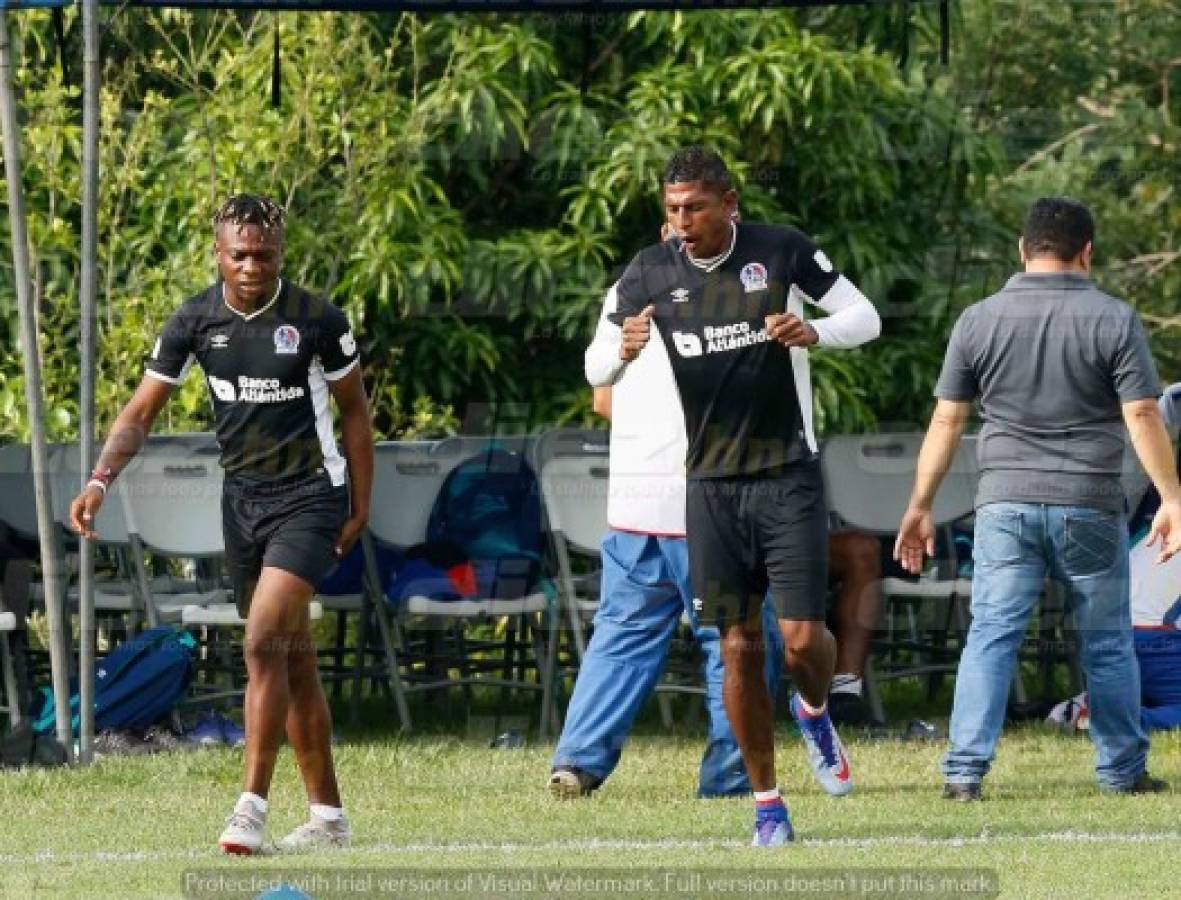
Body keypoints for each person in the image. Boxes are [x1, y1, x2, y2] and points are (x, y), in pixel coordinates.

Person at [69, 194, 374, 854]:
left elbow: (354, 411)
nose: (252, 266)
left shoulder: (317, 319)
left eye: (264, 255)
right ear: (218, 254)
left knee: (264, 638)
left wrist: (360, 504)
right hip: (243, 504)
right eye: (239, 254)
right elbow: (142, 411)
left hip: (311, 498)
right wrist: (98, 481)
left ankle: (250, 808)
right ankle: (328, 819)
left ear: (280, 254)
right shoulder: (195, 321)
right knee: (293, 664)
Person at [606, 146, 881, 845]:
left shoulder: (780, 250)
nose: (681, 222)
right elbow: (595, 360)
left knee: (796, 641)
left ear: (728, 202)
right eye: (670, 210)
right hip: (709, 487)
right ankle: (767, 806)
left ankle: (814, 711)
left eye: (693, 207)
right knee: (734, 646)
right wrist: (625, 347)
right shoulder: (648, 271)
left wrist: (814, 329)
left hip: (786, 473)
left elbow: (865, 316)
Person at [894, 196, 1181, 800]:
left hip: (1003, 504)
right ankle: (1122, 772)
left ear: (1022, 251)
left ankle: (964, 772)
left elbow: (946, 422)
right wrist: (1171, 494)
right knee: (1105, 641)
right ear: (1088, 252)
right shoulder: (1114, 318)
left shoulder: (978, 319)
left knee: (991, 635)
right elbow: (1142, 412)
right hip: (1089, 504)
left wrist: (920, 504)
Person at [548, 274, 783, 800]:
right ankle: (730, 777)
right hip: (708, 508)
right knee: (739, 642)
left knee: (621, 636)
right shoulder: (745, 293)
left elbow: (602, 401)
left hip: (634, 505)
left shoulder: (624, 288)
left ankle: (577, 762)